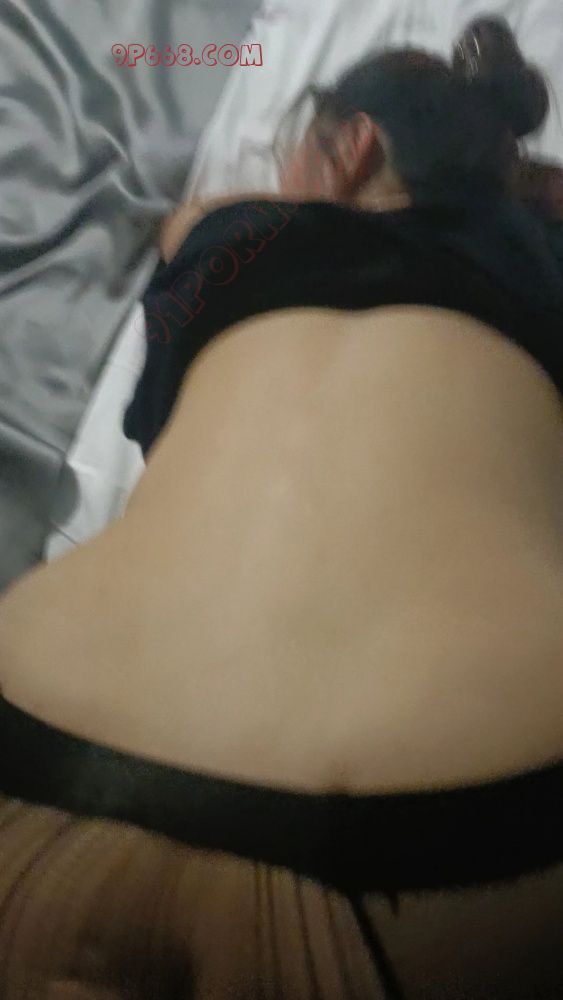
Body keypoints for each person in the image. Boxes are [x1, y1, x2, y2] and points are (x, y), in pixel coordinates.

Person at [0, 16, 563, 999]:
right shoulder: (544, 268)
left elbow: (190, 223)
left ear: (353, 145)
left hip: (41, 750)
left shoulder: (232, 237)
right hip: (469, 820)